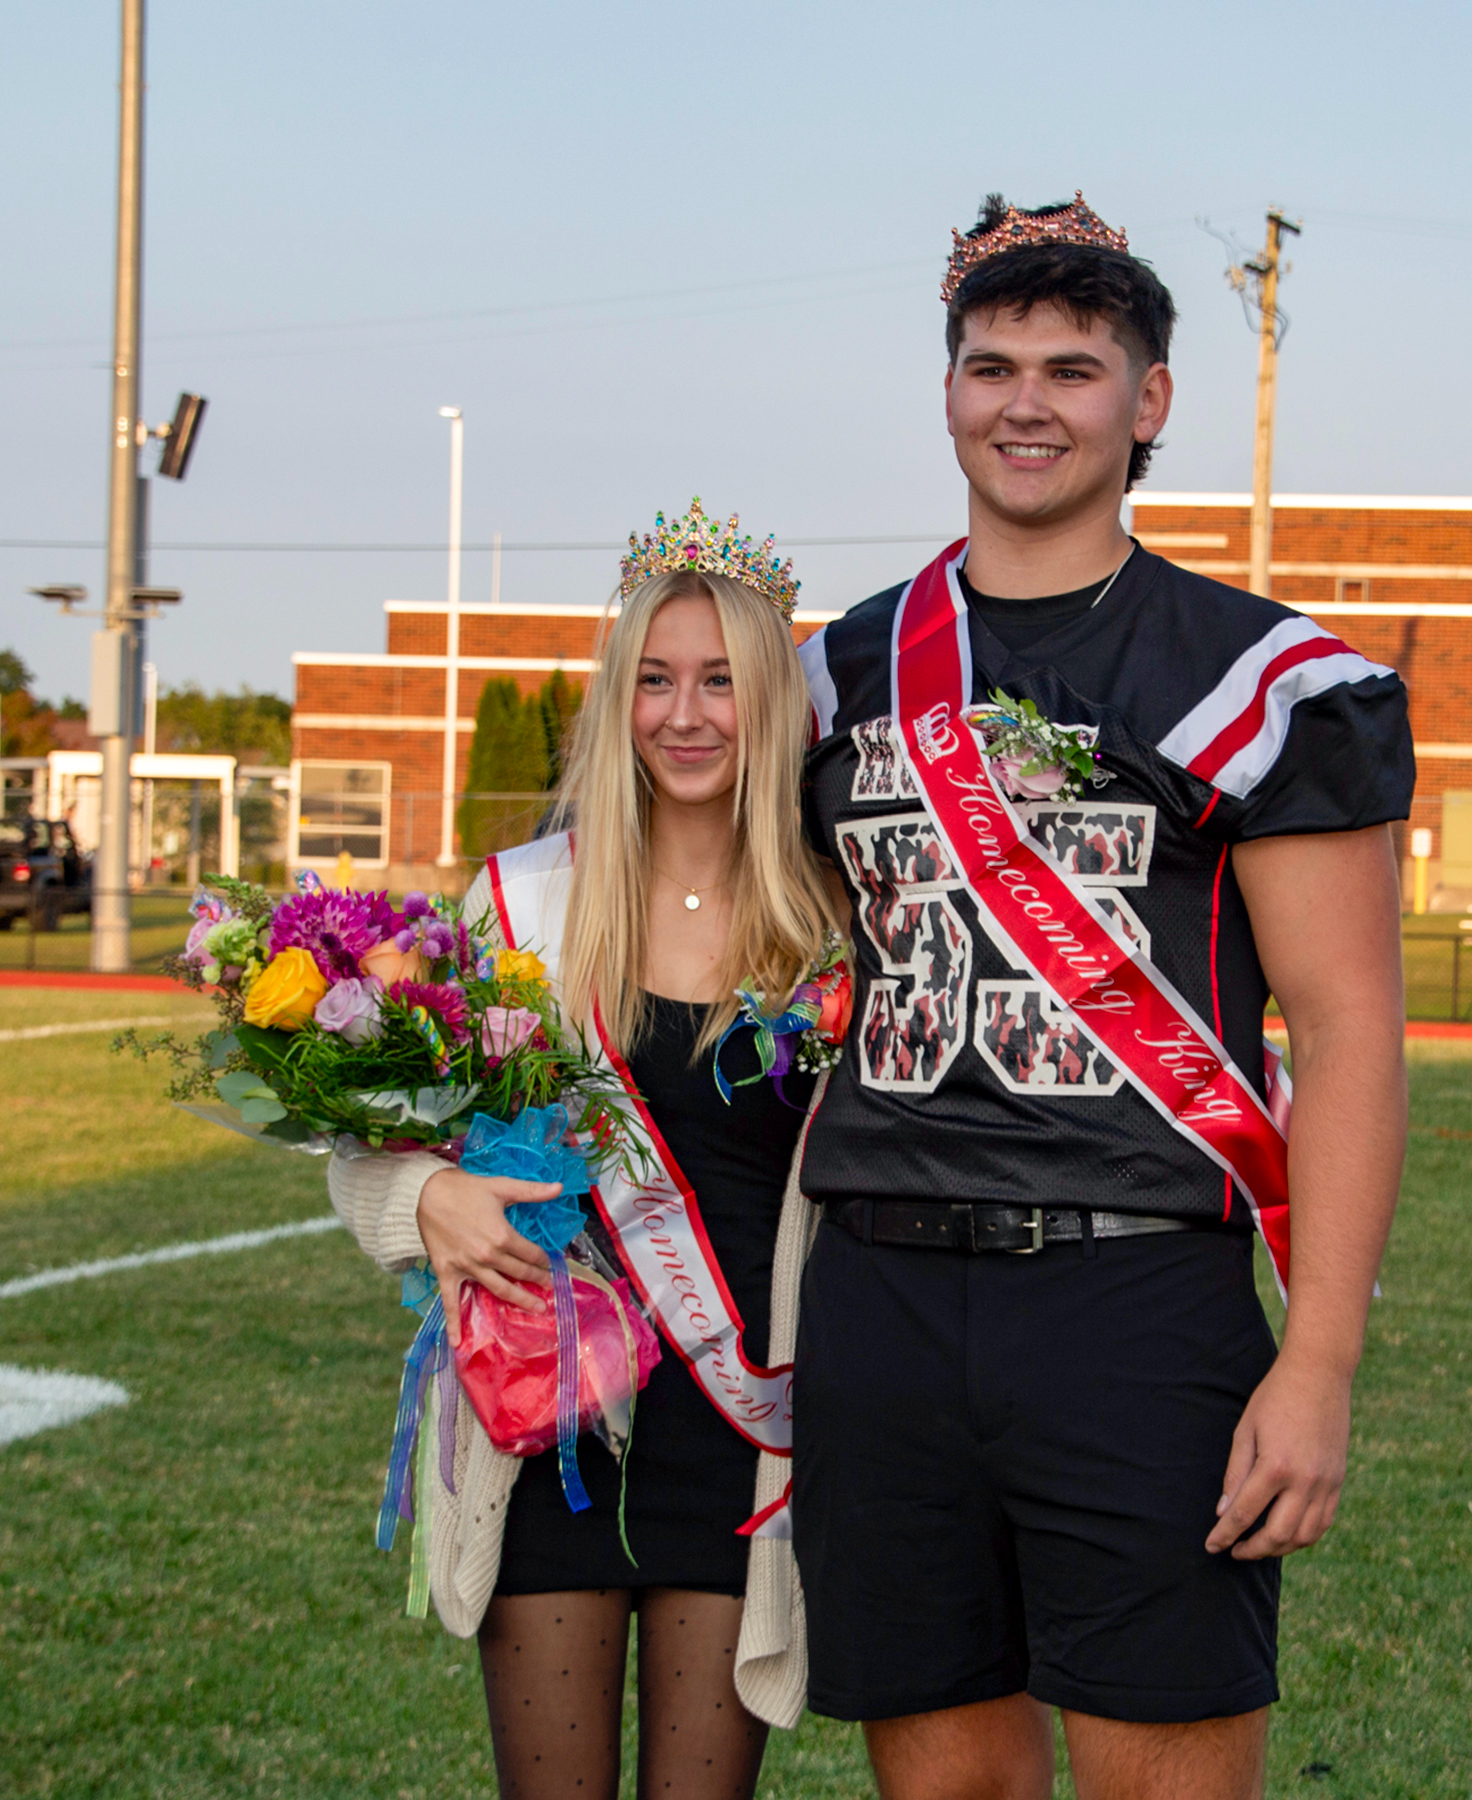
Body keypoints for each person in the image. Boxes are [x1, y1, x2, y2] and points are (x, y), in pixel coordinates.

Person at [790, 194, 1414, 1800]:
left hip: (1131, 1297)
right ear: (945, 394)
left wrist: (1321, 1358)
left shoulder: (1262, 679)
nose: (1025, 401)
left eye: (1074, 367)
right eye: (990, 364)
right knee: (943, 1784)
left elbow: (1345, 1030)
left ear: (1147, 404)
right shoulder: (840, 670)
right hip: (882, 1290)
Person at [327, 503, 841, 1800]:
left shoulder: (833, 929)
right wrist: (426, 1194)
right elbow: (367, 1144)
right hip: (549, 1427)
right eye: (655, 680)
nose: (685, 714)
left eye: (721, 680)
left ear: (771, 698)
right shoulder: (520, 904)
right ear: (618, 699)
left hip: (744, 1446)